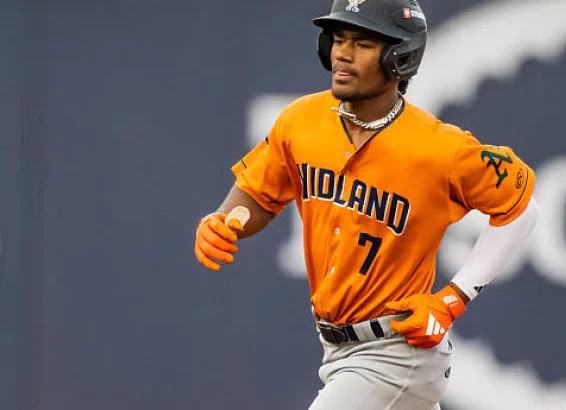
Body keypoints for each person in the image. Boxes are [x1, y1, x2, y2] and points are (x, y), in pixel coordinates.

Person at [194, 0, 540, 408]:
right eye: (339, 39)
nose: (343, 53)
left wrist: (453, 298)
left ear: (400, 57)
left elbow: (522, 208)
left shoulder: (438, 149)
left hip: (398, 353)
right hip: (337, 351)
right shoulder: (301, 121)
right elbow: (259, 193)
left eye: (362, 43)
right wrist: (223, 220)